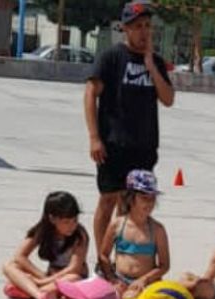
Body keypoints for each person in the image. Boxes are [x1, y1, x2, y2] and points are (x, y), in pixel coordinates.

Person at [85, 0, 174, 266]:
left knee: (135, 206)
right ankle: (103, 260)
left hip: (144, 147)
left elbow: (168, 99)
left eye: (147, 26)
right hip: (113, 144)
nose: (144, 31)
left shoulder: (155, 62)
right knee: (108, 200)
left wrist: (150, 64)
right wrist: (94, 137)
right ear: (125, 28)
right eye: (138, 26)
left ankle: (125, 259)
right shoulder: (111, 57)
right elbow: (90, 93)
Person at [2, 190, 89, 299]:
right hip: (48, 277)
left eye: (75, 220)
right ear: (52, 219)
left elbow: (74, 268)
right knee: (10, 266)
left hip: (68, 277)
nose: (72, 226)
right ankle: (39, 295)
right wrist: (41, 277)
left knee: (74, 279)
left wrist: (41, 282)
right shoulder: (43, 231)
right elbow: (20, 256)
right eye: (66, 222)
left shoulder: (80, 235)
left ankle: (28, 290)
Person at [101, 169, 170, 297]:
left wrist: (144, 279)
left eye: (152, 198)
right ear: (130, 198)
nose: (149, 203)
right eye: (144, 198)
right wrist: (112, 279)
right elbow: (104, 255)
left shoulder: (157, 229)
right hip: (119, 279)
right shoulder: (117, 225)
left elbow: (164, 265)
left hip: (146, 282)